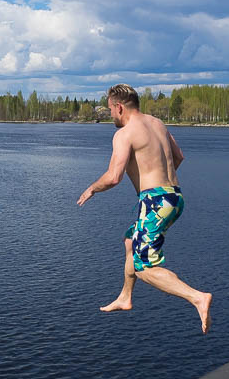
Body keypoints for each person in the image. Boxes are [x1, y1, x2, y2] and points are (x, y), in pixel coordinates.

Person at [77, 85, 212, 333]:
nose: (110, 116)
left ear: (119, 107)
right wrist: (159, 182)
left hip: (156, 201)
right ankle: (125, 297)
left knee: (145, 268)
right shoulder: (157, 123)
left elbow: (114, 176)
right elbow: (179, 157)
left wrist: (92, 189)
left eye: (110, 110)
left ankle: (197, 297)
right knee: (131, 240)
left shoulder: (125, 134)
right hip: (174, 196)